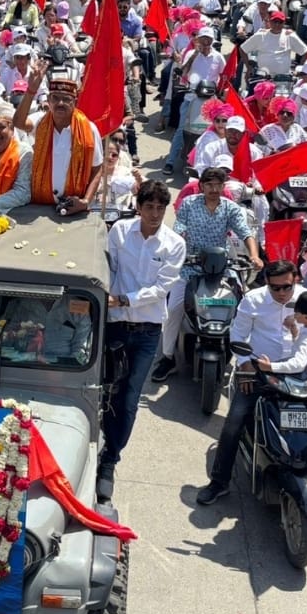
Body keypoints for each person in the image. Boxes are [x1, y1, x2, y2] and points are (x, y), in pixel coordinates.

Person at [97, 180, 185, 501]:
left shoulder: (174, 244)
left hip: (147, 331)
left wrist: (123, 300)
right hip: (116, 326)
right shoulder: (119, 231)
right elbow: (110, 269)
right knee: (106, 389)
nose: (155, 214)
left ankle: (110, 458)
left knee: (130, 397)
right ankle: (98, 441)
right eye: (150, 207)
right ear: (139, 206)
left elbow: (162, 290)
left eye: (161, 208)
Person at [197, 259, 307, 504]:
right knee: (233, 423)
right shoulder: (253, 300)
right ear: (267, 284)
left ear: (296, 280)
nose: (281, 293)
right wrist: (246, 364)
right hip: (260, 371)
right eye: (275, 288)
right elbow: (237, 334)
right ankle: (219, 482)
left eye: (287, 287)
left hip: (301, 373)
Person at [151, 167, 262, 382]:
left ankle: (244, 358)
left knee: (242, 306)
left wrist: (255, 256)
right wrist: (177, 249)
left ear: (223, 187)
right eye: (209, 185)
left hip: (221, 267)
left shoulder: (231, 208)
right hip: (189, 265)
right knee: (173, 308)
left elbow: (245, 232)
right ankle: (167, 357)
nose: (213, 189)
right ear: (201, 186)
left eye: (218, 185)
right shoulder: (189, 204)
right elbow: (179, 229)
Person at [11, 64, 104, 214]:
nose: (60, 103)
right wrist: (30, 91)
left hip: (73, 207)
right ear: (48, 100)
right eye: (55, 98)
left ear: (74, 101)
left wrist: (85, 201)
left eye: (66, 99)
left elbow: (97, 169)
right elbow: (18, 123)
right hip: (39, 204)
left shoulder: (89, 129)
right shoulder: (40, 121)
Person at [163, 26, 225, 174]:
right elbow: (183, 71)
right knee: (181, 130)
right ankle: (170, 161)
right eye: (203, 38)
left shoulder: (218, 57)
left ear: (212, 41)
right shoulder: (191, 53)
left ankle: (203, 163)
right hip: (191, 97)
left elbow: (224, 76)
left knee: (209, 132)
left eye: (208, 39)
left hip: (210, 101)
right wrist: (195, 54)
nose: (205, 41)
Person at [255, 290, 307, 373]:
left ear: (306, 318)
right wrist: (295, 334)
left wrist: (270, 366)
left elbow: (298, 365)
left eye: (296, 313)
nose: (293, 315)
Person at [241, 11, 307, 78]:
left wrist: (300, 69)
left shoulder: (289, 35)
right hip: (263, 77)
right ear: (270, 22)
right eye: (275, 21)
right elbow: (242, 49)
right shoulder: (260, 35)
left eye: (280, 22)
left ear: (284, 23)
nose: (277, 24)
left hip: (283, 79)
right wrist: (248, 67)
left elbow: (305, 51)